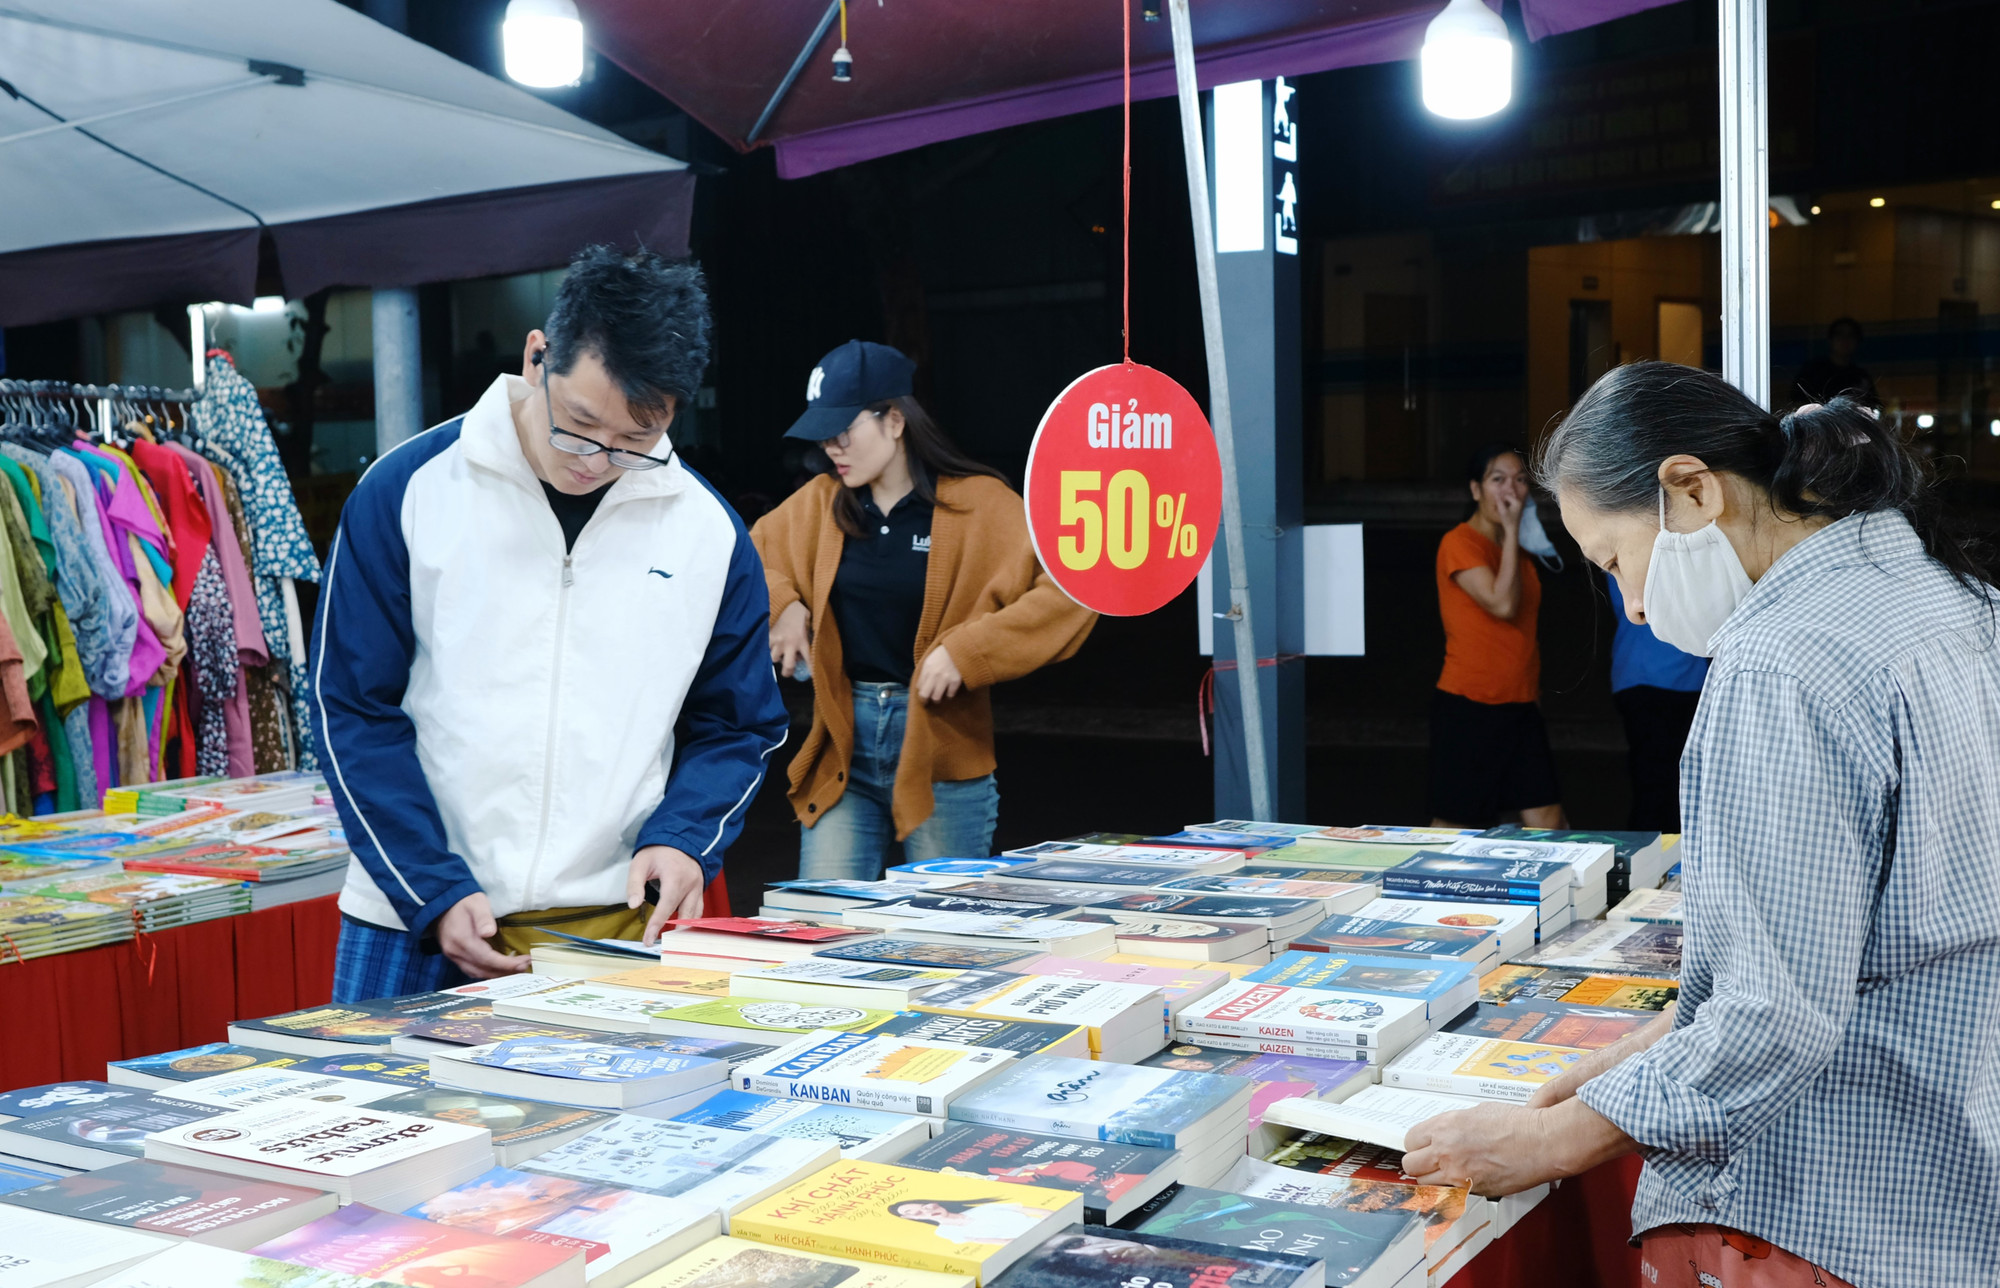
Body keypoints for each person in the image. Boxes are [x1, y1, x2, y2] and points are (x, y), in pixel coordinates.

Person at [1402, 362, 2000, 1288]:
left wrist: (1551, 1141)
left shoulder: (1779, 660)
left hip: (1834, 1202)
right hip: (1958, 1168)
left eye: (1615, 562)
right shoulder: (1948, 594)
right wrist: (1638, 1056)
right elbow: (1859, 942)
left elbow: (1775, 1013)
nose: (1634, 607)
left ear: (1692, 489)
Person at [314, 246, 788, 1000]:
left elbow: (738, 723)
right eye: (580, 424)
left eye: (636, 442)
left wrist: (685, 838)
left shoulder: (709, 533)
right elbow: (351, 708)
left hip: (615, 920)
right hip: (412, 913)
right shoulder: (407, 490)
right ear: (538, 357)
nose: (595, 461)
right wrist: (428, 885)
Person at [750, 340, 1096, 880]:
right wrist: (783, 604)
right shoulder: (820, 502)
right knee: (822, 919)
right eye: (823, 436)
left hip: (942, 753)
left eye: (844, 431)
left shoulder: (980, 503)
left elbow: (1074, 587)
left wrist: (969, 652)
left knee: (944, 921)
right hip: (843, 750)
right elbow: (740, 558)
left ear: (894, 420)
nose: (831, 448)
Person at [1428, 443, 1565, 829]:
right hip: (1470, 706)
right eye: (1498, 479)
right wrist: (1511, 528)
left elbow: (1522, 631)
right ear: (1476, 489)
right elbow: (1502, 604)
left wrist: (1532, 694)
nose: (1511, 490)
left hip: (1520, 704)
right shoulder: (1458, 543)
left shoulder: (1517, 549)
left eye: (1520, 480)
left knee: (1547, 816)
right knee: (1456, 825)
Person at [1605, 576, 1707, 831]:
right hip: (1649, 678)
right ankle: (1650, 855)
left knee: (1680, 788)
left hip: (1684, 679)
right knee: (1658, 786)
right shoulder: (1630, 557)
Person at [1788, 316, 1877, 407]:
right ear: (1830, 339)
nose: (1845, 340)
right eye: (1839, 334)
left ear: (1857, 341)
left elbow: (1874, 406)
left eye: (1851, 335)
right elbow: (1797, 401)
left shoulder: (1861, 377)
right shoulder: (1813, 371)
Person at [887, 1198, 1054, 1245]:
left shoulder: (985, 1208)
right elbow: (1004, 1242)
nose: (927, 1210)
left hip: (1055, 1227)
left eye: (925, 1205)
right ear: (912, 1218)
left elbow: (1041, 1212)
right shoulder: (945, 1232)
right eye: (914, 1212)